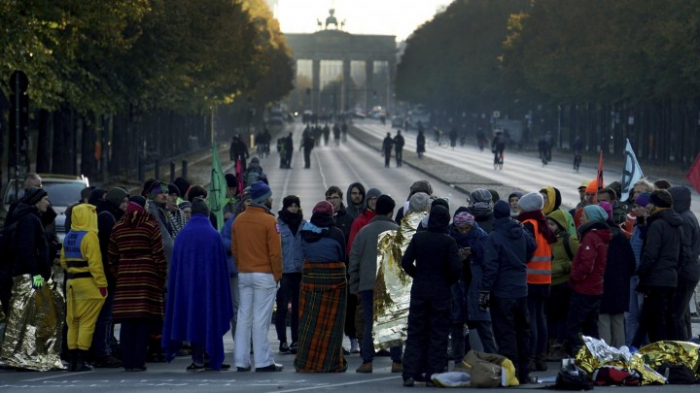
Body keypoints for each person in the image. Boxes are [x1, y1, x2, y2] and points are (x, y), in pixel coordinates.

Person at [162, 198, 233, 372]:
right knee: (212, 318)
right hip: (211, 289)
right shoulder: (214, 236)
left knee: (193, 319)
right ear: (207, 214)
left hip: (188, 289)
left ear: (191, 214)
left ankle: (197, 360)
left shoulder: (182, 236)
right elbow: (221, 268)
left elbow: (176, 267)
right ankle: (212, 357)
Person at [0, 188, 65, 371]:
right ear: (36, 201)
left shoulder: (27, 216)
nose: (48, 203)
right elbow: (27, 249)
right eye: (45, 199)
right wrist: (36, 274)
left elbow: (49, 216)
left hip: (22, 274)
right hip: (28, 275)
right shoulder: (30, 220)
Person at [401, 205, 462, 387]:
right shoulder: (448, 241)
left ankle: (410, 373)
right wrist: (447, 281)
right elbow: (456, 268)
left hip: (420, 290)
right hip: (441, 292)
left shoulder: (419, 238)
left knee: (416, 332)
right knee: (438, 333)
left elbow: (405, 262)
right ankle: (433, 374)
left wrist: (417, 274)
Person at [479, 200, 536, 384]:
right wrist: (522, 261)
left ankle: (511, 375)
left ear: (495, 215)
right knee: (522, 332)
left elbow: (491, 267)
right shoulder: (520, 231)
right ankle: (524, 373)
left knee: (506, 334)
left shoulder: (494, 236)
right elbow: (532, 246)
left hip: (502, 291)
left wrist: (484, 290)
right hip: (521, 289)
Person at [109, 196, 167, 372]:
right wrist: (160, 277)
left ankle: (127, 361)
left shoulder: (118, 227)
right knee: (143, 322)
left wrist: (119, 273)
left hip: (125, 278)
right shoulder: (150, 226)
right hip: (147, 277)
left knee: (127, 322)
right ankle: (139, 361)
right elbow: (159, 255)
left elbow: (111, 256)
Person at [232, 181, 283, 372]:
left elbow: (235, 250)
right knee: (261, 319)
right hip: (265, 275)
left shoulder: (239, 220)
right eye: (269, 196)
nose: (272, 199)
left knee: (244, 318)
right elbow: (275, 253)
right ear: (263, 199)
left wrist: (241, 267)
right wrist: (277, 275)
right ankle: (263, 361)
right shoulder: (270, 221)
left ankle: (241, 360)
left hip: (245, 274)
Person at [348, 195, 402, 373]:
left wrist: (354, 286)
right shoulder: (398, 231)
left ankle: (367, 362)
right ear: (391, 211)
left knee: (370, 324)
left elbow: (353, 260)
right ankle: (397, 362)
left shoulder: (364, 231)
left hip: (367, 286)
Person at [294, 201, 348, 372]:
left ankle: (307, 360)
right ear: (331, 215)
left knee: (309, 324)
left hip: (311, 281)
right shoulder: (336, 233)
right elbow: (341, 256)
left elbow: (301, 253)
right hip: (333, 284)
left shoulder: (305, 232)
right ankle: (331, 361)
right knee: (331, 325)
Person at [632, 190, 684, 346]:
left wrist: (641, 275)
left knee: (654, 322)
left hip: (655, 280)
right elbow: (683, 254)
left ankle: (662, 357)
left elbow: (650, 255)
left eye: (650, 203)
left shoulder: (657, 224)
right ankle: (634, 350)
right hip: (670, 279)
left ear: (656, 205)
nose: (647, 206)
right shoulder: (677, 224)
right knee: (658, 319)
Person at [61, 203, 108, 372]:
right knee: (87, 323)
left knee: (73, 322)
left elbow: (63, 262)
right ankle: (81, 359)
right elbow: (96, 265)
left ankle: (72, 358)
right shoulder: (90, 236)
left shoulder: (69, 236)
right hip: (88, 284)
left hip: (71, 283)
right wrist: (102, 285)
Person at [516, 192, 556, 371]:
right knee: (541, 319)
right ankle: (541, 358)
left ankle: (531, 358)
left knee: (530, 320)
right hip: (545, 279)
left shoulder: (527, 224)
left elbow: (525, 252)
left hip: (530, 279)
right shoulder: (543, 224)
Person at [91, 187, 129, 368]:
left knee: (106, 316)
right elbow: (112, 246)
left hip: (105, 273)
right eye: (123, 201)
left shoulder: (108, 215)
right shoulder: (108, 217)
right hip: (107, 274)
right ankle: (103, 352)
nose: (126, 205)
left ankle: (105, 349)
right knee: (105, 316)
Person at [565, 205, 611, 356]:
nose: (581, 218)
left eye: (584, 215)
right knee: (591, 326)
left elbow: (587, 264)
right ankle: (596, 356)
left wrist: (575, 276)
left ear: (591, 218)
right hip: (596, 287)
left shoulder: (591, 237)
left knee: (575, 326)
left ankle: (580, 356)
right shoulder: (600, 236)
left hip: (585, 288)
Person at [447, 210, 485, 359]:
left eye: (466, 228)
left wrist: (473, 252)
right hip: (456, 288)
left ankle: (482, 360)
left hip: (474, 286)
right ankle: (458, 361)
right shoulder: (450, 237)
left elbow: (486, 257)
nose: (463, 231)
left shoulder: (480, 236)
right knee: (456, 327)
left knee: (479, 327)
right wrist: (458, 258)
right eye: (460, 228)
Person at [325, 186, 359, 353]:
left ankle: (353, 339)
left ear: (341, 199)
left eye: (336, 197)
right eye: (330, 198)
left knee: (350, 306)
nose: (333, 201)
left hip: (345, 268)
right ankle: (336, 343)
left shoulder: (348, 219)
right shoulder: (321, 218)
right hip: (329, 270)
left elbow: (352, 244)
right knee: (332, 308)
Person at [597, 201, 635, 348]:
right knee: (618, 321)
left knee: (603, 320)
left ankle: (606, 356)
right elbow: (631, 262)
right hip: (620, 286)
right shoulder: (620, 235)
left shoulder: (598, 235)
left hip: (602, 284)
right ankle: (620, 355)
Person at [544, 209, 578, 361]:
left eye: (552, 224)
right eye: (548, 223)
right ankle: (551, 347)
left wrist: (564, 268)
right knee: (550, 317)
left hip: (564, 285)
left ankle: (561, 347)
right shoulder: (545, 240)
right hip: (548, 284)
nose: (549, 227)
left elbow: (579, 259)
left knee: (562, 318)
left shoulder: (568, 240)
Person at [668, 186, 700, 340]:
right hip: (690, 271)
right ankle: (687, 343)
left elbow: (684, 250)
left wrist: (675, 270)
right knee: (683, 313)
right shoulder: (689, 216)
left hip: (685, 273)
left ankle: (681, 347)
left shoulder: (684, 220)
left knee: (676, 315)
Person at [275, 195, 305, 355]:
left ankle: (296, 340)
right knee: (281, 308)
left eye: (296, 205)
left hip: (299, 272)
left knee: (298, 309)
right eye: (290, 206)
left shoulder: (304, 224)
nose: (293, 208)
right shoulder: (278, 225)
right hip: (284, 272)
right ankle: (283, 341)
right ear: (285, 207)